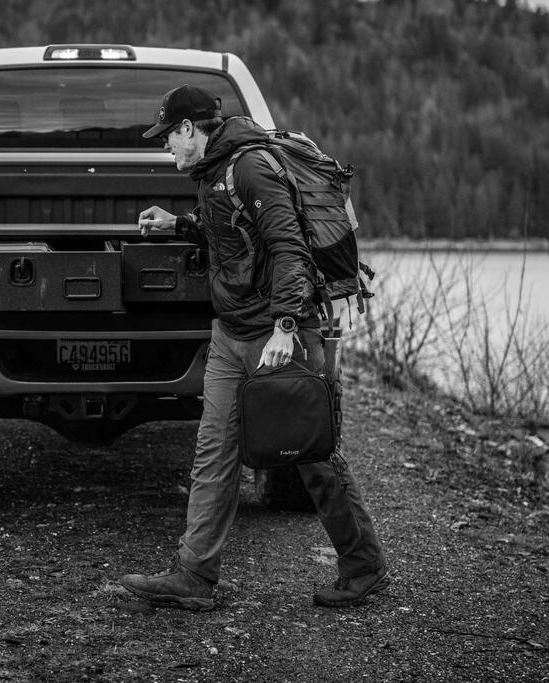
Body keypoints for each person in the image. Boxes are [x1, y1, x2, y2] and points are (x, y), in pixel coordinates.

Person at [119, 84, 389, 611]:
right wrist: (179, 225)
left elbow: (287, 246)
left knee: (311, 453)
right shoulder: (214, 172)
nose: (166, 148)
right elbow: (239, 237)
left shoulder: (250, 167)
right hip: (232, 333)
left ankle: (363, 566)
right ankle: (194, 575)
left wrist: (287, 326)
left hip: (279, 332)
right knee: (214, 451)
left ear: (190, 130)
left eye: (169, 137)